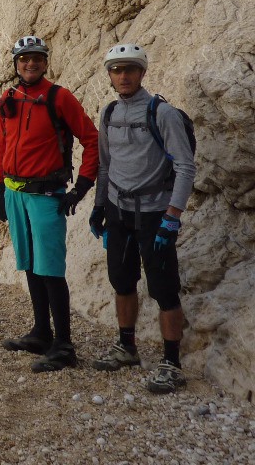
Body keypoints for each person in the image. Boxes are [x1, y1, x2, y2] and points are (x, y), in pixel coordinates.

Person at [89, 43, 196, 393]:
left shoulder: (161, 113)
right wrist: (99, 207)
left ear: (142, 73)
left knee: (164, 288)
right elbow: (106, 166)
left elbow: (184, 166)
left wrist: (172, 217)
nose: (124, 76)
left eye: (130, 69)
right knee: (122, 281)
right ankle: (127, 347)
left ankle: (172, 363)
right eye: (117, 70)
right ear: (109, 75)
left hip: (154, 214)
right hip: (119, 212)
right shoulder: (109, 114)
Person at [0, 35, 99, 372]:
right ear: (16, 65)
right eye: (24, 59)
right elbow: (1, 146)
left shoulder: (59, 97)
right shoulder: (9, 99)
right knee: (29, 263)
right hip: (15, 193)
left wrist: (82, 186)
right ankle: (41, 332)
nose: (30, 64)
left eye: (36, 58)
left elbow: (91, 138)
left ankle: (64, 345)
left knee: (51, 268)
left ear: (45, 62)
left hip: (45, 194)